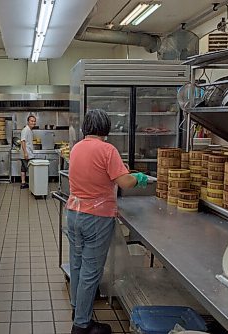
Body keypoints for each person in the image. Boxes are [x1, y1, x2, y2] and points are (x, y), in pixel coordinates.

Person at [66, 109, 147, 334]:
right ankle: (81, 326)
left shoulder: (76, 148)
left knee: (77, 264)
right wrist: (138, 178)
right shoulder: (107, 149)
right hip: (96, 217)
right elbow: (125, 183)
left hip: (73, 213)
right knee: (91, 271)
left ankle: (77, 309)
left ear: (86, 127)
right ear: (106, 128)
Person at [20, 115, 36, 189]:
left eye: (34, 121)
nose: (33, 122)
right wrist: (25, 153)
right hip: (26, 153)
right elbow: (23, 141)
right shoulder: (25, 130)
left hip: (27, 152)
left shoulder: (29, 130)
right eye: (31, 121)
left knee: (23, 168)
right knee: (30, 169)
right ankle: (32, 184)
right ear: (28, 121)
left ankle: (23, 183)